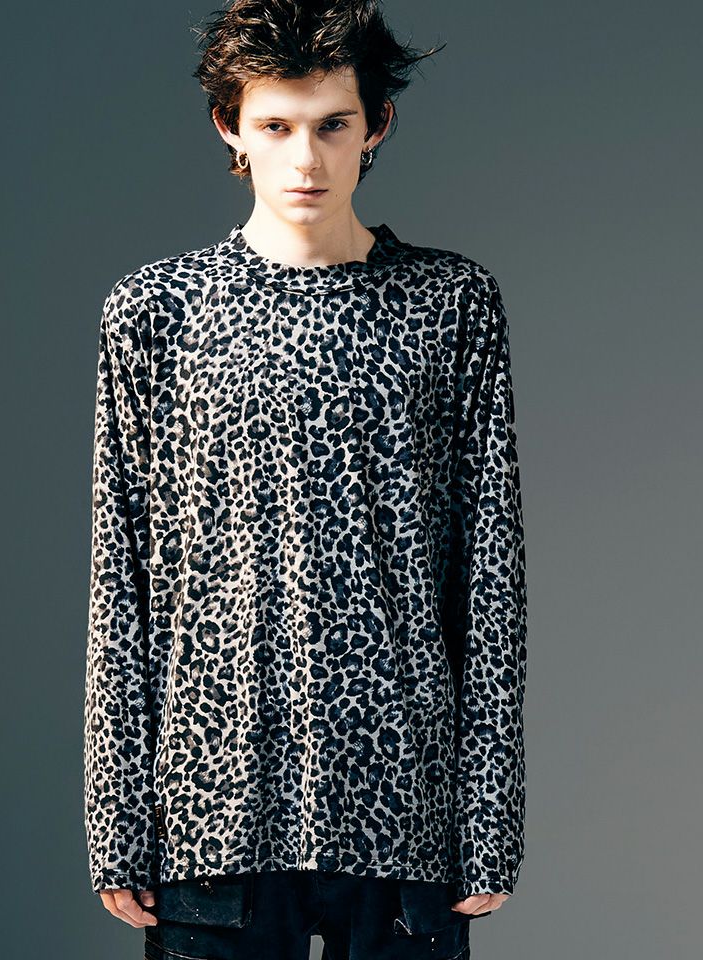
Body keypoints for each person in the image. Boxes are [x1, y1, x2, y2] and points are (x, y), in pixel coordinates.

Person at [83, 1, 528, 957]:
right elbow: (121, 578)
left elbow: (490, 572)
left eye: (332, 125)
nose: (306, 160)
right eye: (276, 126)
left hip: (403, 805)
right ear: (229, 127)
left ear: (377, 125)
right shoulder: (156, 311)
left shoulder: (451, 304)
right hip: (212, 805)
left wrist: (490, 820)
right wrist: (115, 819)